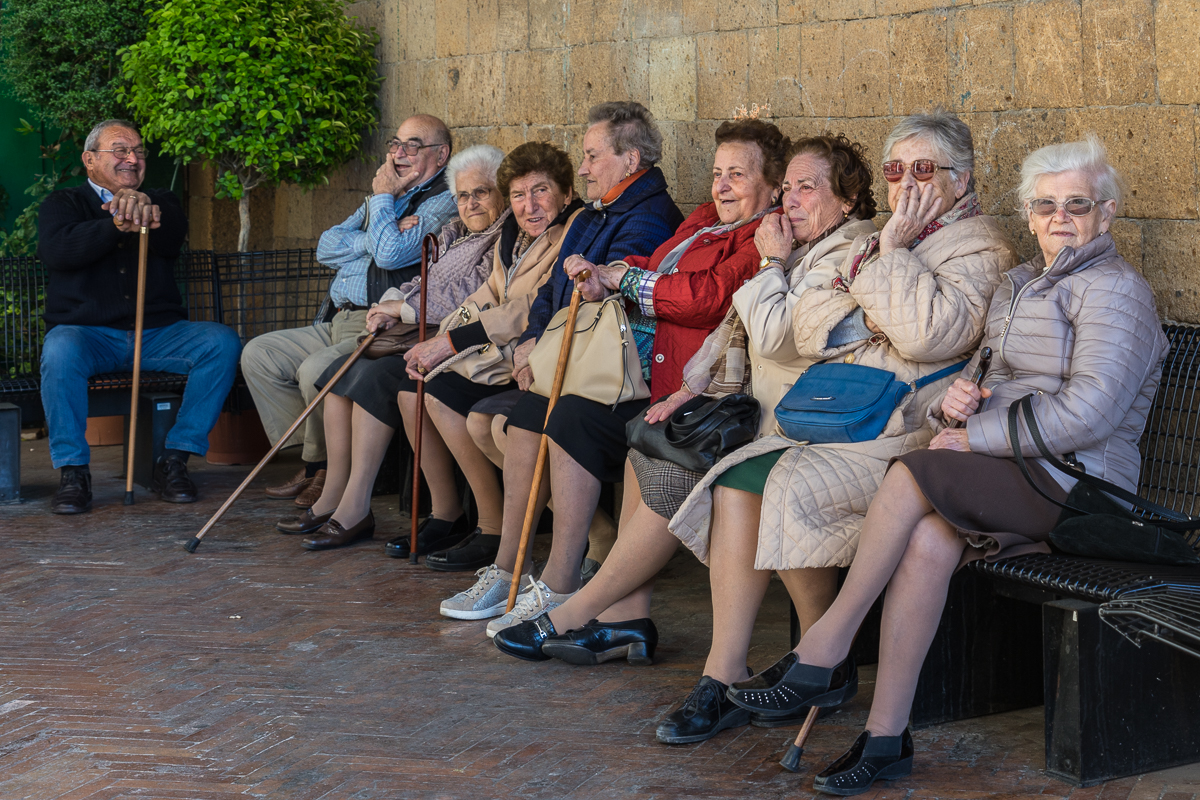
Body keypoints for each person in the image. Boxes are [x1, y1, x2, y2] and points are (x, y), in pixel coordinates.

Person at [724, 136, 1167, 795]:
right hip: (1016, 470)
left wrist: (972, 437)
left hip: (1078, 482)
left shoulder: (1115, 291)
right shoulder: (1019, 284)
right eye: (1045, 205)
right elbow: (984, 377)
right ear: (1029, 212)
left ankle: (826, 646)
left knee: (910, 473)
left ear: (1106, 212)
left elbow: (1090, 413)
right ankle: (885, 735)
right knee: (930, 540)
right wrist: (957, 408)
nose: (1060, 217)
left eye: (1077, 203)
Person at [657, 109, 1018, 745]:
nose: (907, 182)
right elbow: (813, 325)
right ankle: (724, 671)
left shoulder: (982, 246)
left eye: (924, 169)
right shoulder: (874, 237)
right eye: (896, 170)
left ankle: (823, 657)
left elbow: (931, 333)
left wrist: (886, 269)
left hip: (905, 426)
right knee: (735, 481)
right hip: (842, 409)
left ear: (960, 179)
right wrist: (880, 305)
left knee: (781, 483)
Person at [491, 134, 879, 665]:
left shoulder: (818, 248)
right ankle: (625, 619)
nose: (788, 200)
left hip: (782, 418)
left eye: (801, 188)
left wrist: (764, 266)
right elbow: (725, 324)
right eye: (789, 187)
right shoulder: (755, 233)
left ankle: (574, 610)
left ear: (848, 198)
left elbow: (728, 311)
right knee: (645, 440)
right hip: (726, 396)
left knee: (672, 467)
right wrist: (687, 386)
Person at [441, 117, 786, 641]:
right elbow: (631, 269)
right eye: (718, 173)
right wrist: (607, 274)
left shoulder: (756, 235)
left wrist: (622, 277)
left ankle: (561, 581)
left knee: (573, 416)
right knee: (533, 411)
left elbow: (705, 297)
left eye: (736, 175)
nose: (719, 186)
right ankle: (511, 569)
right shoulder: (700, 218)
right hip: (643, 371)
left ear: (773, 184)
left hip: (682, 388)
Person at [405, 101, 685, 573]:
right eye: (518, 194)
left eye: (593, 156)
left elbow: (604, 307)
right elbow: (549, 294)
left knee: (513, 421)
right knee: (476, 408)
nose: (585, 166)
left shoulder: (644, 218)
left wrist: (533, 342)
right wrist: (536, 340)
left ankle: (553, 572)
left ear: (630, 161)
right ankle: (506, 566)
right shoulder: (597, 214)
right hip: (557, 356)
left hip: (609, 375)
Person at [274, 145, 508, 549]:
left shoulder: (501, 238)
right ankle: (335, 495)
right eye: (464, 195)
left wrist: (405, 308)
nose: (470, 203)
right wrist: (391, 303)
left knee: (379, 378)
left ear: (501, 192)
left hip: (458, 344)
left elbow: (470, 292)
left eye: (482, 193)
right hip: (420, 334)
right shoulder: (455, 231)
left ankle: (359, 507)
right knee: (338, 374)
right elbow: (423, 279)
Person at [363, 142, 585, 564]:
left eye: (540, 192)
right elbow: (487, 295)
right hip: (495, 354)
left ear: (567, 193)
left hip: (528, 359)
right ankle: (452, 514)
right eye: (520, 195)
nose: (530, 205)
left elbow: (528, 308)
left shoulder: (572, 233)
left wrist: (449, 342)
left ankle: (493, 524)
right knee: (417, 388)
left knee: (442, 397)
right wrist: (440, 341)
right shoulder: (515, 238)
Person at [241, 114, 458, 508]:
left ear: (441, 155)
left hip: (378, 322)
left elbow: (392, 253)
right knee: (260, 354)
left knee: (314, 372)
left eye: (413, 145)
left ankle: (319, 472)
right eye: (396, 144)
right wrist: (377, 229)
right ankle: (315, 460)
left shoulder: (443, 199)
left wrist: (380, 202)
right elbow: (326, 247)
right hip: (336, 316)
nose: (399, 154)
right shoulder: (390, 194)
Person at [37, 119, 242, 514]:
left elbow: (171, 237)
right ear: (90, 160)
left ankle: (174, 460)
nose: (132, 158)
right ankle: (74, 471)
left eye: (138, 151)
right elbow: (58, 252)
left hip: (159, 335)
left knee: (220, 342)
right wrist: (115, 224)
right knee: (59, 349)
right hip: (88, 336)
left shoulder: (161, 200)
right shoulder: (62, 204)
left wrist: (149, 210)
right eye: (120, 150)